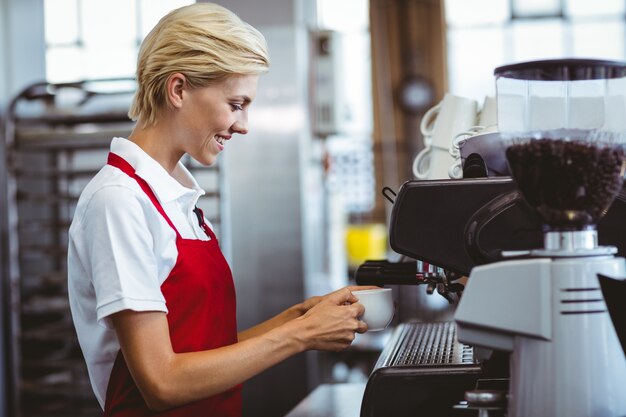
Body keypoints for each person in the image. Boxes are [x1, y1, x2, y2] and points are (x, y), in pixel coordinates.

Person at [67, 3, 373, 417]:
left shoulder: (179, 200)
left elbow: (206, 352)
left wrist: (301, 316)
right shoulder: (119, 200)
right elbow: (163, 381)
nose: (244, 124)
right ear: (178, 89)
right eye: (236, 103)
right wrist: (300, 335)